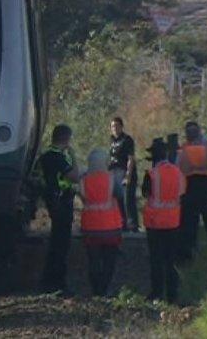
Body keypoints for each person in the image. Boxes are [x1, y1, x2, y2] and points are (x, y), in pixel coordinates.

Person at [142, 137, 185, 303]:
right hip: (173, 222)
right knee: (170, 260)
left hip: (154, 223)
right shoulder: (177, 172)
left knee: (156, 259)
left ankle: (156, 293)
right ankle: (172, 295)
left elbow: (146, 194)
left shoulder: (151, 174)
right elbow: (181, 193)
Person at [39, 124, 80, 293]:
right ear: (66, 139)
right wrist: (74, 157)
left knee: (55, 243)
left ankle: (48, 281)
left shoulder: (45, 155)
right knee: (61, 245)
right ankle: (58, 284)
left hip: (52, 201)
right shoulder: (59, 157)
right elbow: (74, 177)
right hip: (62, 202)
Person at [79, 148, 123, 297]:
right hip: (111, 227)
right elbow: (120, 195)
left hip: (90, 228)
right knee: (109, 261)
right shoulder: (112, 179)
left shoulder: (84, 180)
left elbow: (84, 198)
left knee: (94, 261)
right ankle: (105, 289)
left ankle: (96, 290)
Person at [176, 121, 207, 260]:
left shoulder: (183, 152)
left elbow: (177, 172)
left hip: (189, 188)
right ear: (199, 134)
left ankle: (189, 251)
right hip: (206, 188)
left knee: (189, 222)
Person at [109, 117, 139, 232]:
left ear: (121, 127)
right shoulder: (112, 141)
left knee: (128, 200)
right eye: (112, 126)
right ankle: (123, 225)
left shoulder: (127, 140)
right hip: (114, 173)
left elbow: (131, 158)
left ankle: (133, 225)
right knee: (118, 200)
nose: (115, 128)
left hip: (125, 173)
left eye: (117, 126)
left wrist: (128, 175)